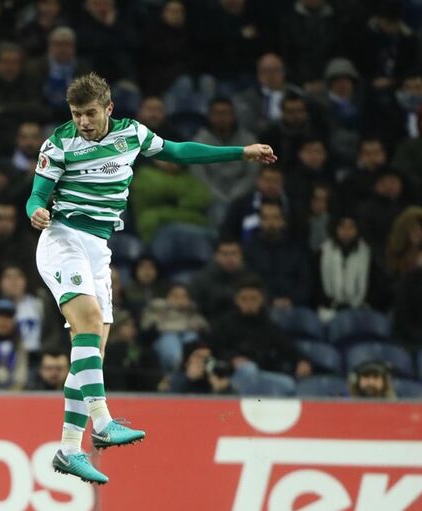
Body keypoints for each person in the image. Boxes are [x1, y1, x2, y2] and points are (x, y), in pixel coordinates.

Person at [26, 72, 275, 484]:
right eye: (76, 114)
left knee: (91, 352)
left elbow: (178, 152)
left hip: (98, 249)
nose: (83, 122)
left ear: (108, 109)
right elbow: (37, 193)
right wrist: (35, 210)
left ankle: (70, 449)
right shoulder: (58, 144)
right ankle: (103, 423)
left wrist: (239, 152)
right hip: (63, 238)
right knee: (87, 323)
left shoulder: (133, 135)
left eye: (90, 113)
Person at [159, 339, 235, 395]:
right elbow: (168, 401)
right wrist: (188, 379)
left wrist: (221, 389)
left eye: (206, 358)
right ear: (187, 361)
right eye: (198, 357)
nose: (203, 362)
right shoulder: (175, 377)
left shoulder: (215, 376)